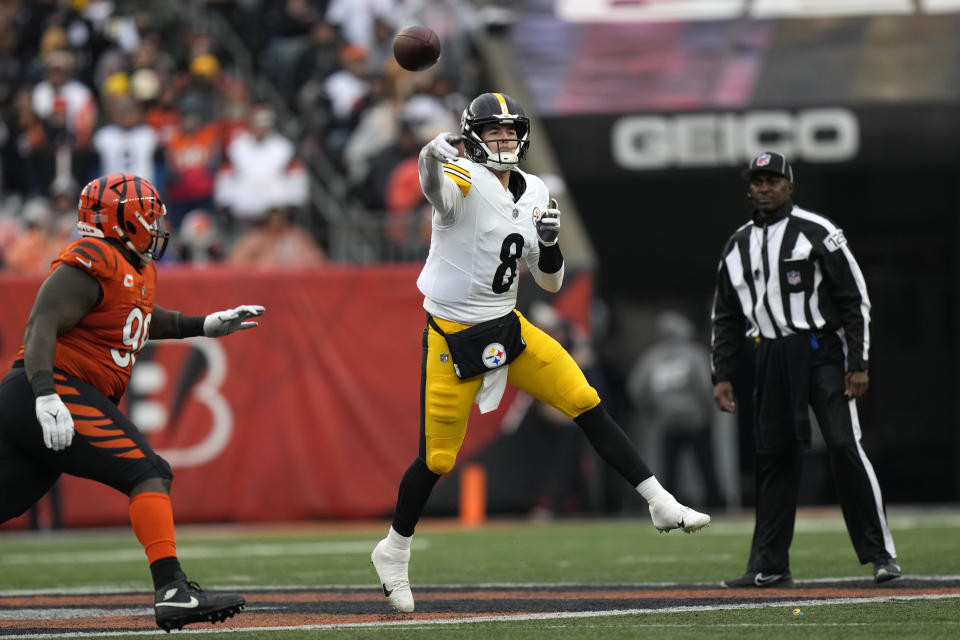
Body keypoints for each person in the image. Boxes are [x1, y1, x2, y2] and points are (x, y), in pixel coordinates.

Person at [370, 92, 710, 614]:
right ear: (474, 137)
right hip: (452, 335)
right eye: (495, 132)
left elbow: (550, 282)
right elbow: (433, 184)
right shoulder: (460, 179)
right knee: (437, 458)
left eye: (511, 132)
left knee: (584, 399)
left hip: (508, 325)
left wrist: (550, 245)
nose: (505, 140)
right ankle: (393, 549)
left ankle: (660, 502)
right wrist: (429, 155)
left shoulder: (535, 191)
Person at [0, 173, 263, 631]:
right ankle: (173, 590)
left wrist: (205, 324)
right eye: (150, 214)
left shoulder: (132, 266)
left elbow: (137, 318)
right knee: (148, 471)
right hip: (48, 386)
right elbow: (40, 323)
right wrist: (46, 392)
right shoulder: (93, 256)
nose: (159, 223)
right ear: (119, 220)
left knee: (7, 498)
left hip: (44, 391)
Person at [710, 152, 900, 587]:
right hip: (770, 357)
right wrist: (721, 374)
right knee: (773, 458)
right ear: (749, 188)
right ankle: (770, 564)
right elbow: (725, 315)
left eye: (773, 180)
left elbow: (855, 300)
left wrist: (859, 362)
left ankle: (881, 554)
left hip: (821, 354)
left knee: (842, 444)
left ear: (790, 186)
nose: (764, 187)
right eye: (758, 181)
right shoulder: (736, 245)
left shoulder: (819, 232)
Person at [628, 311, 725, 508]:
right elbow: (707, 386)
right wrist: (707, 411)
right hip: (697, 420)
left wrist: (652, 412)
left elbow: (635, 390)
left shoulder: (651, 357)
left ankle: (669, 508)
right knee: (707, 468)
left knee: (669, 471)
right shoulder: (694, 353)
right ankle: (717, 505)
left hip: (668, 421)